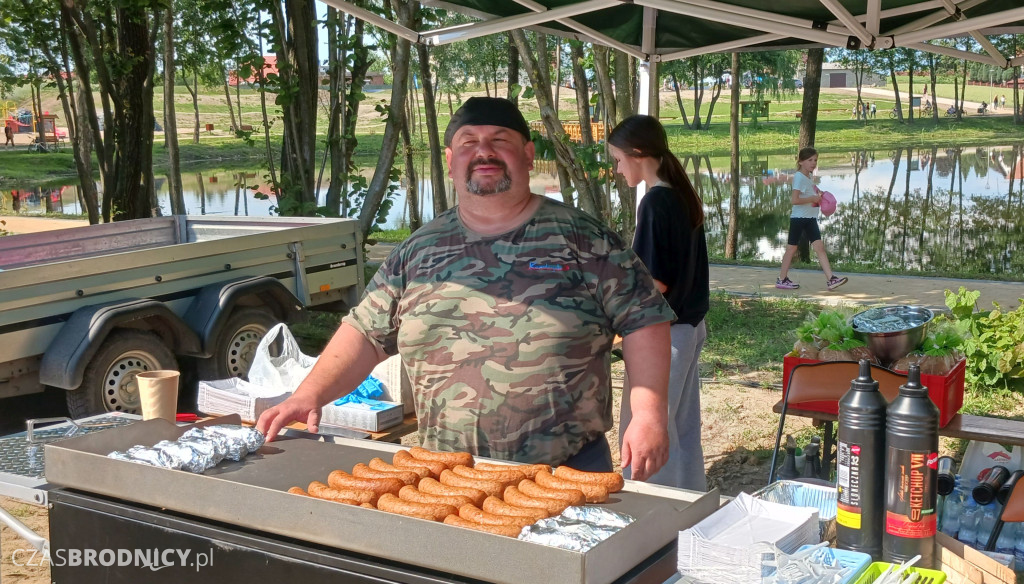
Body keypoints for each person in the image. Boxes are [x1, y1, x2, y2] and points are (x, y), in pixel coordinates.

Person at [256, 97, 674, 481]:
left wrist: (648, 413)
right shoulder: (418, 252)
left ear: (528, 155)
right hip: (446, 475)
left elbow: (644, 320)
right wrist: (307, 394)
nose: (484, 151)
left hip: (566, 472)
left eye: (500, 140)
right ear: (452, 160)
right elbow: (366, 334)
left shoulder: (586, 240)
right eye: (469, 142)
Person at [608, 115, 709, 492]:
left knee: (648, 431)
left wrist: (611, 281)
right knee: (682, 430)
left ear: (637, 154)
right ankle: (688, 505)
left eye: (618, 160)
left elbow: (657, 282)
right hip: (690, 326)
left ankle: (647, 505)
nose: (618, 169)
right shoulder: (681, 194)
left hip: (664, 335)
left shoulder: (654, 202)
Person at [776, 146, 848, 291]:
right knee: (791, 249)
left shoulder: (808, 177)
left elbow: (808, 194)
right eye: (810, 160)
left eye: (815, 160)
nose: (813, 163)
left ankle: (831, 279)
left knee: (819, 248)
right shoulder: (799, 177)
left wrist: (820, 196)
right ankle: (782, 279)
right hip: (798, 218)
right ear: (801, 161)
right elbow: (794, 200)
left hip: (810, 218)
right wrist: (813, 198)